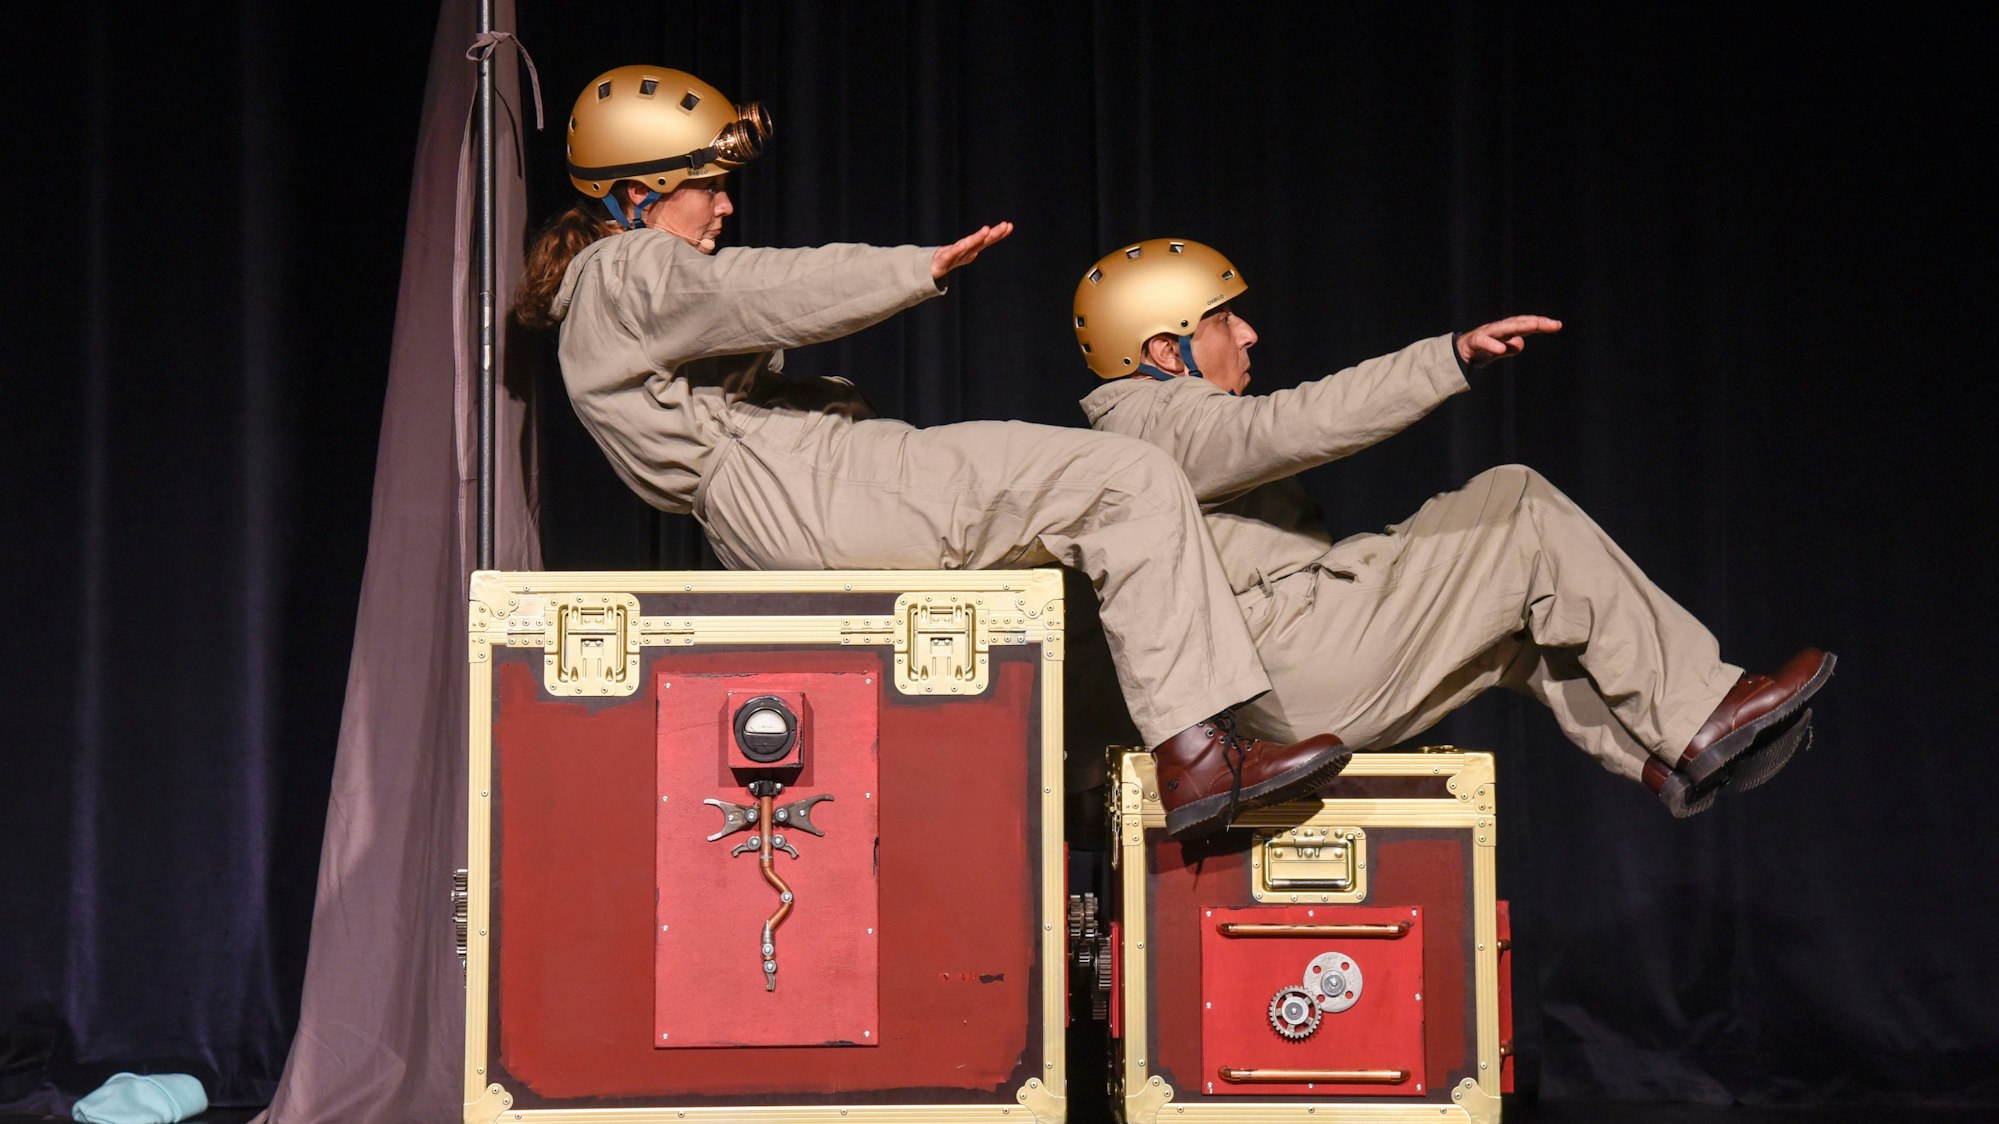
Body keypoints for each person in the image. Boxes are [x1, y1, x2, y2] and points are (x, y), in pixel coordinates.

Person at [512, 66, 1345, 839]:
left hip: (785, 505)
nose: (725, 209)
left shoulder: (607, 298)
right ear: (635, 194)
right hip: (814, 488)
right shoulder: (630, 270)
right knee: (1127, 480)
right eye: (707, 188)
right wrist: (914, 269)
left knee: (1065, 576)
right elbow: (759, 290)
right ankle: (1196, 761)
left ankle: (1087, 782)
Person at [1071, 238, 1833, 816]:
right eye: (1222, 318)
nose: (1248, 335)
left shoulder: (1149, 431)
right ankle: (1701, 717)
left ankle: (1662, 759)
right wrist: (1448, 359)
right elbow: (1295, 422)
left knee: (1511, 619)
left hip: (1275, 677)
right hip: (1283, 669)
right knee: (1516, 506)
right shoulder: (1156, 428)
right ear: (1164, 352)